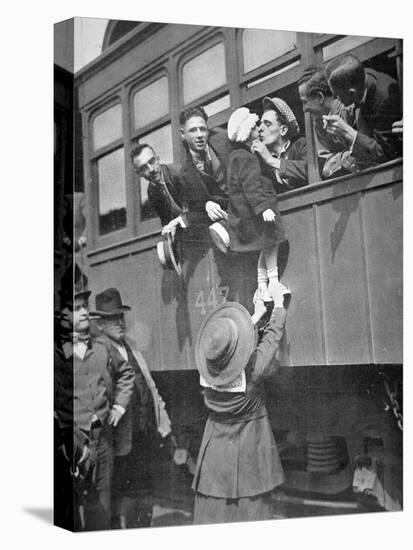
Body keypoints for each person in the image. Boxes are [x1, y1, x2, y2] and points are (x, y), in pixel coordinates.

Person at [192, 281, 289, 525]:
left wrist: (256, 315)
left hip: (214, 461)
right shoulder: (253, 374)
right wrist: (278, 305)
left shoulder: (208, 376)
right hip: (250, 460)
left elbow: (231, 351)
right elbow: (270, 342)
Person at [54, 266, 135, 531]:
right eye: (77, 309)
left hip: (102, 442)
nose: (85, 312)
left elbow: (126, 374)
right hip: (70, 445)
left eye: (85, 306)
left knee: (101, 509)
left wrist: (119, 407)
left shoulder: (103, 346)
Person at [92, 287, 172, 528]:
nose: (118, 322)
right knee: (119, 499)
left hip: (140, 433)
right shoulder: (99, 349)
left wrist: (162, 416)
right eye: (111, 318)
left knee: (144, 495)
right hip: (117, 440)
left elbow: (149, 383)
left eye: (120, 317)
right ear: (100, 323)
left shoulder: (130, 345)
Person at [209, 107, 288, 301]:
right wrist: (263, 208)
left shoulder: (237, 156)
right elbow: (251, 186)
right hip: (257, 214)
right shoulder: (246, 157)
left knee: (265, 248)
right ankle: (274, 283)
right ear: (247, 133)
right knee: (272, 244)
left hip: (247, 216)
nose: (258, 130)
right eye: (254, 127)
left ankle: (262, 286)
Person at [325, 54, 402, 165]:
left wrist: (348, 132)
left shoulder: (384, 100)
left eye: (337, 95)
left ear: (351, 92)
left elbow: (386, 153)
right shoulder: (360, 79)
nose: (336, 99)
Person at [298, 65, 358, 177]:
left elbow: (366, 148)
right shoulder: (318, 123)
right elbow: (326, 165)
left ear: (320, 97)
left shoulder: (350, 109)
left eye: (304, 102)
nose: (304, 109)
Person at [179, 106, 232, 223]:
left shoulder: (224, 138)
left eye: (202, 129)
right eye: (193, 130)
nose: (199, 135)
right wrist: (206, 204)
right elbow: (197, 204)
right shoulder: (185, 174)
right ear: (183, 134)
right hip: (225, 220)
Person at [251, 97, 307, 192]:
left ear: (283, 130)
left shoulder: (300, 145)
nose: (260, 128)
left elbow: (308, 169)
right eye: (261, 124)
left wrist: (270, 160)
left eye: (267, 124)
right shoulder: (260, 158)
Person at [130, 143, 185, 237]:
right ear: (138, 173)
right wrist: (166, 228)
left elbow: (199, 209)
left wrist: (179, 221)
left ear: (158, 158)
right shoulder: (152, 191)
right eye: (144, 168)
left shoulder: (178, 173)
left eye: (152, 161)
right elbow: (166, 220)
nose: (151, 169)